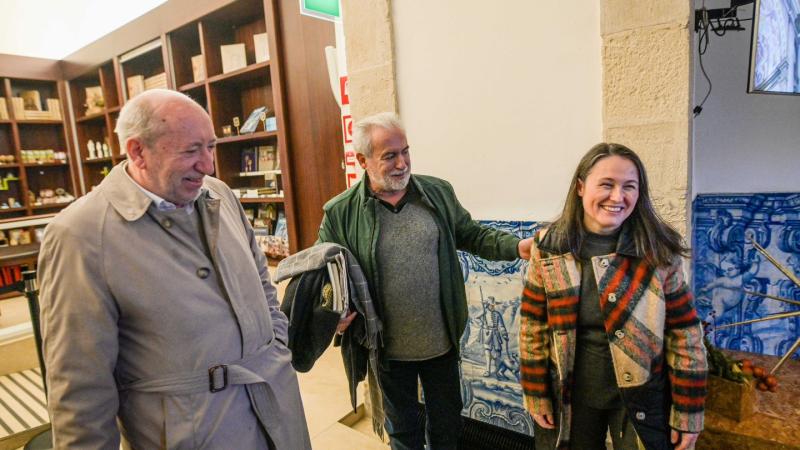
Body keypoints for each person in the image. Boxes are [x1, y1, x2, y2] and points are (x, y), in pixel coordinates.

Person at [37, 89, 310, 449]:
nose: (208, 165)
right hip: (193, 434)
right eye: (191, 150)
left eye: (210, 147)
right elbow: (80, 386)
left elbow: (262, 284)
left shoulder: (220, 195)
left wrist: (275, 345)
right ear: (138, 151)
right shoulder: (80, 235)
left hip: (276, 409)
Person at [317, 112, 533, 450]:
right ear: (362, 160)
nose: (402, 163)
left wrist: (517, 247)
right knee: (403, 431)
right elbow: (325, 273)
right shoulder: (341, 212)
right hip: (386, 350)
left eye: (405, 151)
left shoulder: (437, 193)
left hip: (441, 343)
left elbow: (472, 234)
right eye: (390, 155)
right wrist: (334, 311)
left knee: (447, 424)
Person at [519, 143, 708, 450]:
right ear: (581, 187)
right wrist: (536, 393)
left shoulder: (658, 250)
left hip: (643, 397)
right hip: (570, 397)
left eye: (629, 186)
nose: (618, 197)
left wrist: (689, 411)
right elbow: (533, 325)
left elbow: (684, 333)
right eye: (606, 184)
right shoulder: (550, 246)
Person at [479, 297, 509, 377]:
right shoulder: (484, 312)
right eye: (491, 305)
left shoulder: (497, 314)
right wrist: (482, 324)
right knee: (487, 352)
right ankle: (487, 371)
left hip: (496, 334)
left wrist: (504, 334)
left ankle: (497, 371)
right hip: (487, 334)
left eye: (493, 305)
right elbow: (475, 318)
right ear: (488, 305)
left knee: (498, 352)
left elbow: (501, 326)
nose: (493, 306)